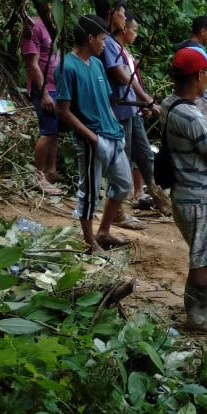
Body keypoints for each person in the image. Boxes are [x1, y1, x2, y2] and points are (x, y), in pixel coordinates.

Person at [161, 46, 207, 334]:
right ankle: (198, 316)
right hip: (196, 198)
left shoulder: (171, 104)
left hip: (200, 194)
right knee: (202, 257)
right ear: (198, 76)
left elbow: (198, 108)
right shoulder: (191, 117)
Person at [54, 15, 133, 251]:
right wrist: (90, 136)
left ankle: (104, 232)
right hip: (92, 139)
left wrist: (113, 123)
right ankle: (90, 241)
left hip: (112, 134)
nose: (104, 43)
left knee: (123, 184)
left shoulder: (97, 64)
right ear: (89, 38)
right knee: (89, 191)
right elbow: (63, 110)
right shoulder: (67, 66)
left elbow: (105, 100)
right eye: (102, 38)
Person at [95, 0, 154, 230]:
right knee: (119, 160)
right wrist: (145, 98)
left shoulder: (113, 44)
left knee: (126, 157)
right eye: (121, 12)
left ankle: (118, 207)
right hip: (117, 108)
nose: (124, 16)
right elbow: (120, 74)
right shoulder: (107, 42)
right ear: (112, 12)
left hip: (127, 107)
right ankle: (115, 211)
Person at [114, 12, 171, 216]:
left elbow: (134, 81)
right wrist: (146, 100)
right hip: (121, 110)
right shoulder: (113, 49)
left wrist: (142, 104)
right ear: (123, 28)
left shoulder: (126, 54)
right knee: (123, 156)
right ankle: (117, 206)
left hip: (133, 109)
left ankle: (157, 195)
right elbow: (124, 78)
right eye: (134, 29)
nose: (136, 34)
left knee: (145, 154)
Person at [21, 13, 62, 195]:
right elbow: (32, 62)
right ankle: (38, 176)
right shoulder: (34, 26)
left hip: (57, 87)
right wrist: (44, 92)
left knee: (54, 131)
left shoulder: (54, 25)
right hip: (45, 89)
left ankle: (50, 171)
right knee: (47, 131)